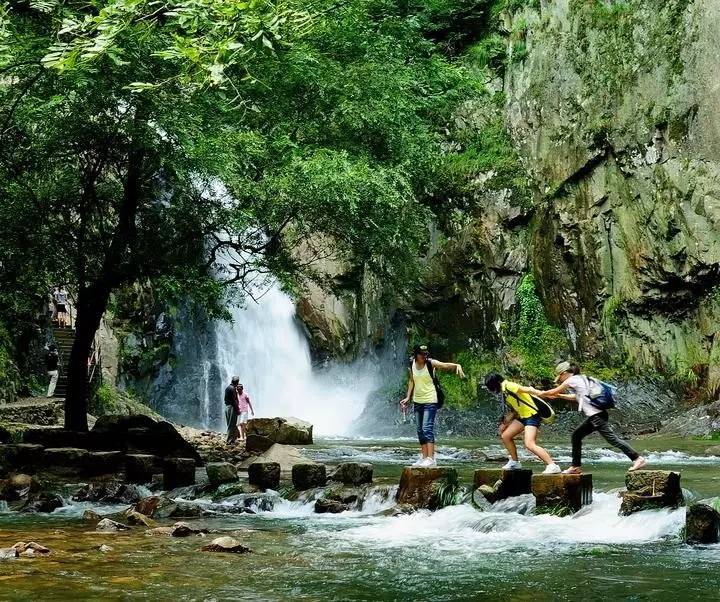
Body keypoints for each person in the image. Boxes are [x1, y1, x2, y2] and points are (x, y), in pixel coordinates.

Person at [539, 361, 646, 474]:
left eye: (560, 376)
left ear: (564, 373)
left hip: (597, 417)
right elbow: (576, 397)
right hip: (597, 415)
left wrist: (537, 393)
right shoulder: (581, 379)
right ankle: (575, 467)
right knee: (576, 436)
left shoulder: (571, 380)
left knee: (613, 439)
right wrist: (559, 396)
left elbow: (552, 391)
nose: (560, 380)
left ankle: (638, 458)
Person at [399, 345, 465, 468]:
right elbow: (411, 381)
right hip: (417, 401)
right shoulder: (411, 364)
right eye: (422, 354)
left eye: (425, 354)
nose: (424, 356)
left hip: (430, 400)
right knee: (420, 430)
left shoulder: (430, 363)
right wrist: (408, 397)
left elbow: (443, 365)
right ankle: (424, 457)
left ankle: (431, 458)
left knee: (427, 428)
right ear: (416, 354)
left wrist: (457, 366)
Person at [484, 372, 561, 474]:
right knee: (506, 436)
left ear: (496, 383)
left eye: (491, 386)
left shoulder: (509, 385)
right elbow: (517, 406)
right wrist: (508, 419)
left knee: (529, 444)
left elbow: (528, 390)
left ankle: (552, 465)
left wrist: (543, 393)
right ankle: (515, 462)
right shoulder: (505, 391)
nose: (492, 390)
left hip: (532, 415)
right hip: (522, 416)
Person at [224, 376, 240, 444]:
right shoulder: (233, 388)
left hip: (227, 407)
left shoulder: (227, 388)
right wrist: (237, 409)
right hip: (232, 408)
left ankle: (233, 439)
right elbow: (234, 401)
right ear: (236, 382)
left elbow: (225, 399)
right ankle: (229, 440)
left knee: (230, 424)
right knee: (232, 424)